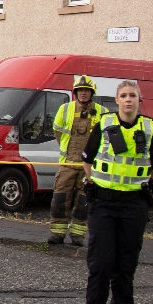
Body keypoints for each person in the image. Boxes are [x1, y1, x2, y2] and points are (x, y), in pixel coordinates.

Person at [78, 80, 153, 304]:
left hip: (134, 204)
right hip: (104, 202)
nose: (128, 100)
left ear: (140, 99)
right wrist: (100, 184)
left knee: (126, 266)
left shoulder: (149, 128)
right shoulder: (103, 124)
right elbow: (87, 160)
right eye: (124, 96)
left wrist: (142, 186)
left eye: (133, 96)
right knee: (101, 265)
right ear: (117, 100)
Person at [48, 76, 106, 246]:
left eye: (86, 90)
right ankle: (57, 233)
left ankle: (78, 235)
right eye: (80, 90)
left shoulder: (102, 112)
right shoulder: (65, 109)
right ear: (75, 92)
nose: (83, 93)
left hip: (89, 166)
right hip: (68, 162)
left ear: (91, 93)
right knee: (60, 198)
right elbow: (57, 131)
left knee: (83, 201)